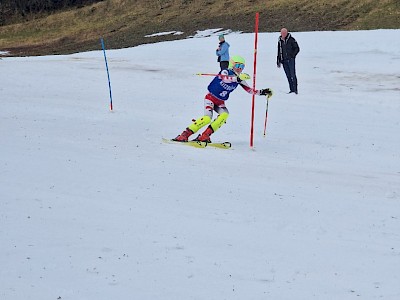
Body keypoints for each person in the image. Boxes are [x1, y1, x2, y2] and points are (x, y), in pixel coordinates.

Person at [173, 55, 273, 143]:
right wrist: (236, 79)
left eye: (242, 67)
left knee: (225, 115)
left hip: (220, 102)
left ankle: (205, 136)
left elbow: (250, 90)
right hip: (210, 98)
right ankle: (184, 135)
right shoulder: (226, 71)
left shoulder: (239, 78)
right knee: (207, 118)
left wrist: (263, 92)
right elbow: (225, 78)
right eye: (237, 65)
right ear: (232, 64)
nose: (239, 69)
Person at [277, 28, 300, 94]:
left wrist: (292, 56)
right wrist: (278, 60)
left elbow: (297, 48)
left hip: (290, 60)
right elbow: (279, 51)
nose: (283, 34)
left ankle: (295, 90)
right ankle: (291, 90)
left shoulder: (291, 40)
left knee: (293, 75)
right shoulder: (280, 41)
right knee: (288, 75)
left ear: (287, 33)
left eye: (284, 33)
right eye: (282, 33)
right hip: (284, 61)